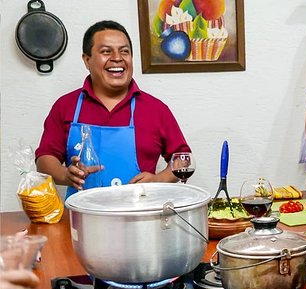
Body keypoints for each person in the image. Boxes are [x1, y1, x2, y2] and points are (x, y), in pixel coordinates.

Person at [36, 20, 190, 197]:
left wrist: (158, 180)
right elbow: (45, 158)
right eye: (106, 51)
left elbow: (183, 158)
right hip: (81, 219)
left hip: (139, 217)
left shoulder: (155, 109)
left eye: (124, 51)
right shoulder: (66, 106)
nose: (117, 58)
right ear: (87, 60)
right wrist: (65, 175)